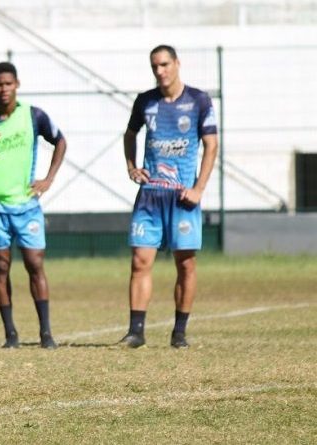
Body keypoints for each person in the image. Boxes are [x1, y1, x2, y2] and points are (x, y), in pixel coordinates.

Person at [121, 45, 218, 348]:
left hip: (182, 197)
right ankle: (136, 332)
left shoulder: (198, 100)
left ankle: (179, 332)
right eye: (155, 66)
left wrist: (199, 188)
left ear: (177, 63)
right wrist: (132, 167)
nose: (160, 71)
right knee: (140, 261)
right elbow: (129, 134)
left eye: (164, 64)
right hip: (150, 195)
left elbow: (211, 145)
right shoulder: (145, 101)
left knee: (186, 264)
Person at [0, 62, 66, 349]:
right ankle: (11, 334)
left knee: (34, 264)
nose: (3, 89)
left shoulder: (33, 115)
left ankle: (46, 333)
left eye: (8, 84)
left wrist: (48, 179)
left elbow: (60, 141)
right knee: (1, 267)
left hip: (27, 206)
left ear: (17, 84)